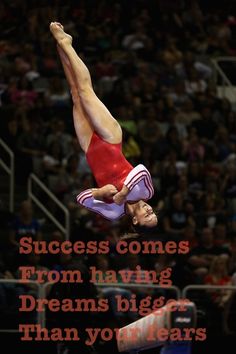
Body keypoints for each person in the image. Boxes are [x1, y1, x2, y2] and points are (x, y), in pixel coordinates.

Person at [49, 22, 157, 230]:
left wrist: (100, 193)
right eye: (152, 212)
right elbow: (141, 171)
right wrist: (123, 193)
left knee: (75, 94)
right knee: (85, 91)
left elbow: (81, 199)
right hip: (111, 139)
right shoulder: (145, 192)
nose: (149, 210)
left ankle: (61, 47)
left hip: (90, 148)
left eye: (147, 216)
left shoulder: (113, 212)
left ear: (135, 220)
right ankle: (66, 42)